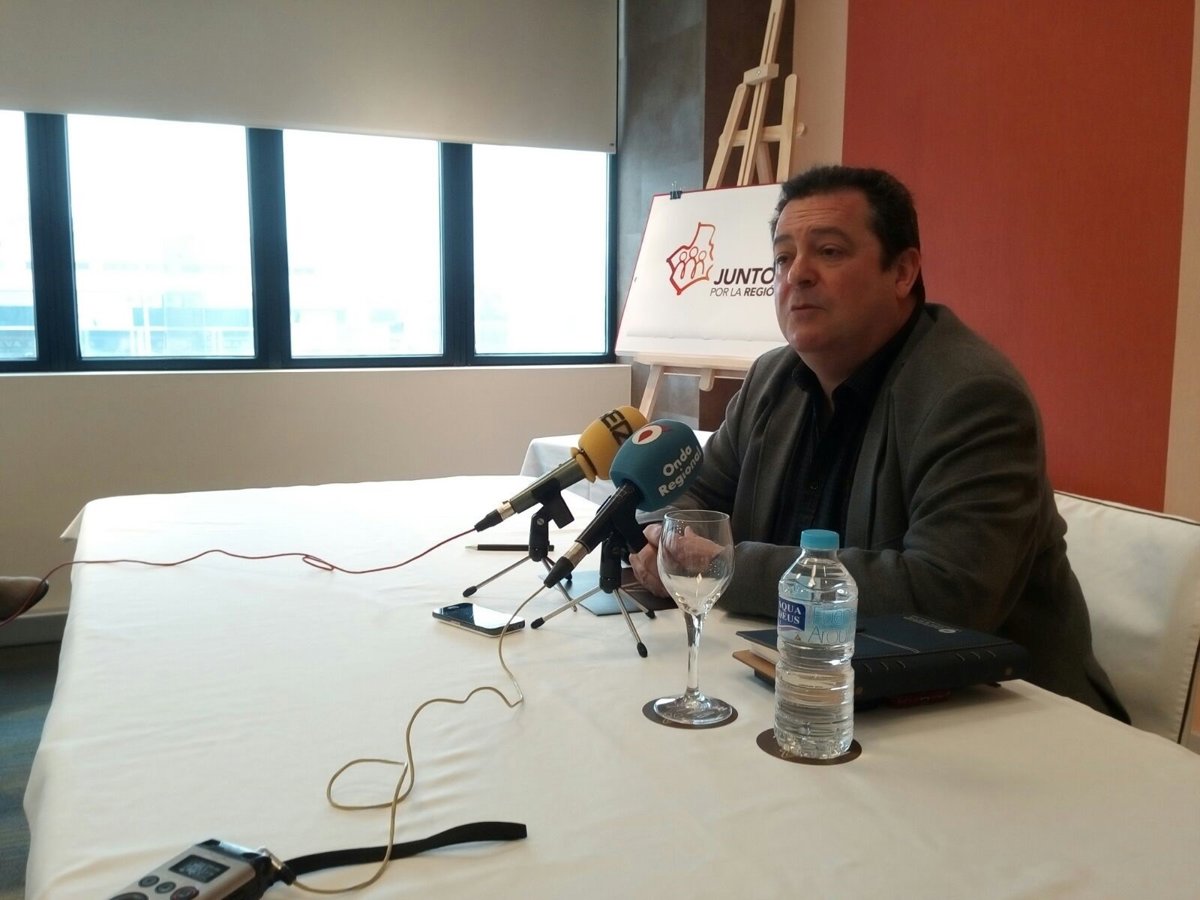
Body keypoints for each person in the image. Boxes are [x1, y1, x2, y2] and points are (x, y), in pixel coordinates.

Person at [629, 164, 1127, 720]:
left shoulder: (973, 396)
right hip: (810, 684)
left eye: (830, 251)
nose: (798, 275)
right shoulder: (772, 378)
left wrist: (724, 567)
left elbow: (945, 599)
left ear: (903, 272)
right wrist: (670, 542)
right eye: (784, 257)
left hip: (1002, 714)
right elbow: (691, 494)